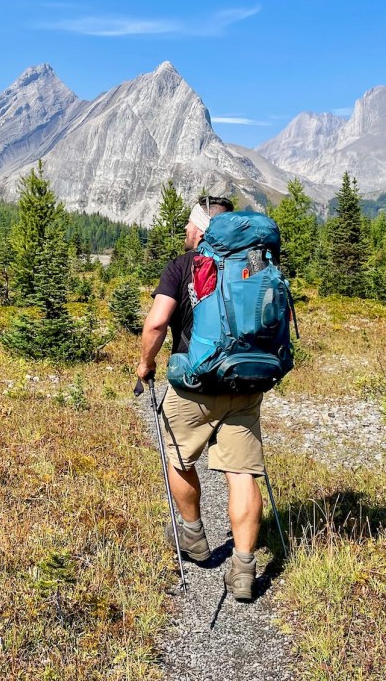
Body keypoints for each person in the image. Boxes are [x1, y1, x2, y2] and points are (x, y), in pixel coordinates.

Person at [136, 195, 265, 601]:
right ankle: (243, 570)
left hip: (195, 383)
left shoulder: (182, 265)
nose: (186, 233)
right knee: (241, 472)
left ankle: (193, 536)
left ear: (200, 227)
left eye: (190, 226)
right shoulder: (257, 264)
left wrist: (145, 364)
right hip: (245, 384)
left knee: (178, 456)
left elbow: (157, 323)